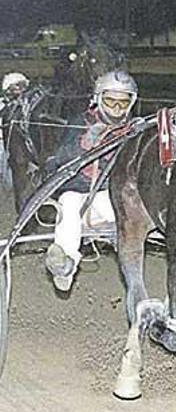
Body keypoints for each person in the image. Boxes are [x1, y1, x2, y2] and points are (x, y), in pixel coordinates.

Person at [44, 70, 138, 291]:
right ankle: (65, 265)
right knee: (68, 202)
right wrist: (82, 146)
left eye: (123, 103)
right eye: (110, 101)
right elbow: (56, 162)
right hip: (84, 194)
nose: (116, 109)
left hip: (120, 197)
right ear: (98, 98)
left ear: (132, 103)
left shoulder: (136, 128)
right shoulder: (81, 122)